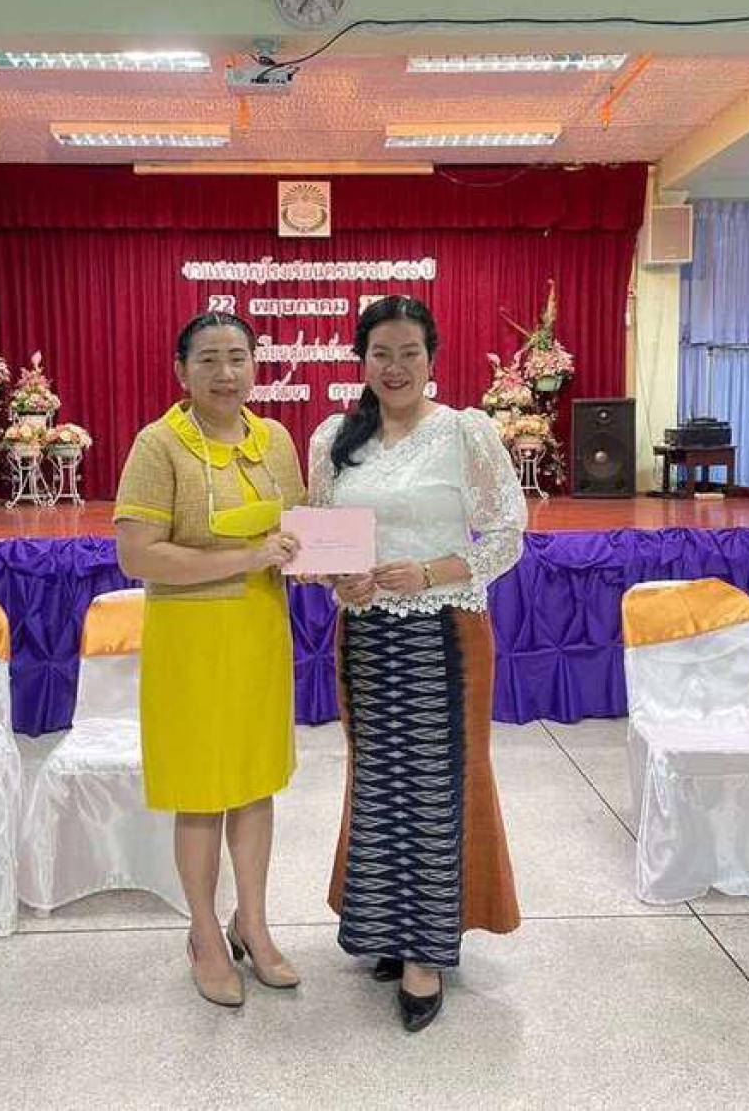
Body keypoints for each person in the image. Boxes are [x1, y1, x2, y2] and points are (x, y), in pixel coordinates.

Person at [307, 294, 527, 1033]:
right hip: (365, 638)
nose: (395, 367)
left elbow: (507, 534)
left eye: (409, 352)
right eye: (381, 353)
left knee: (437, 786)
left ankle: (427, 953)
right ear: (362, 360)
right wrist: (339, 578)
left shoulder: (465, 431)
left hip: (445, 632)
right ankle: (385, 929)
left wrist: (430, 572)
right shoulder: (335, 437)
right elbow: (320, 542)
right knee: (378, 783)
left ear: (431, 358)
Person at [114, 311, 305, 1008]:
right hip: (189, 641)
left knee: (254, 784)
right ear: (181, 370)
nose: (226, 373)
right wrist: (246, 557)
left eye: (238, 358)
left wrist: (322, 561)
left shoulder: (275, 440)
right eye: (208, 360)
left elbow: (297, 535)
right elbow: (137, 555)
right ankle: (202, 933)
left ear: (256, 365)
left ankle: (251, 923)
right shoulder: (158, 444)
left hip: (258, 633)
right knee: (200, 795)